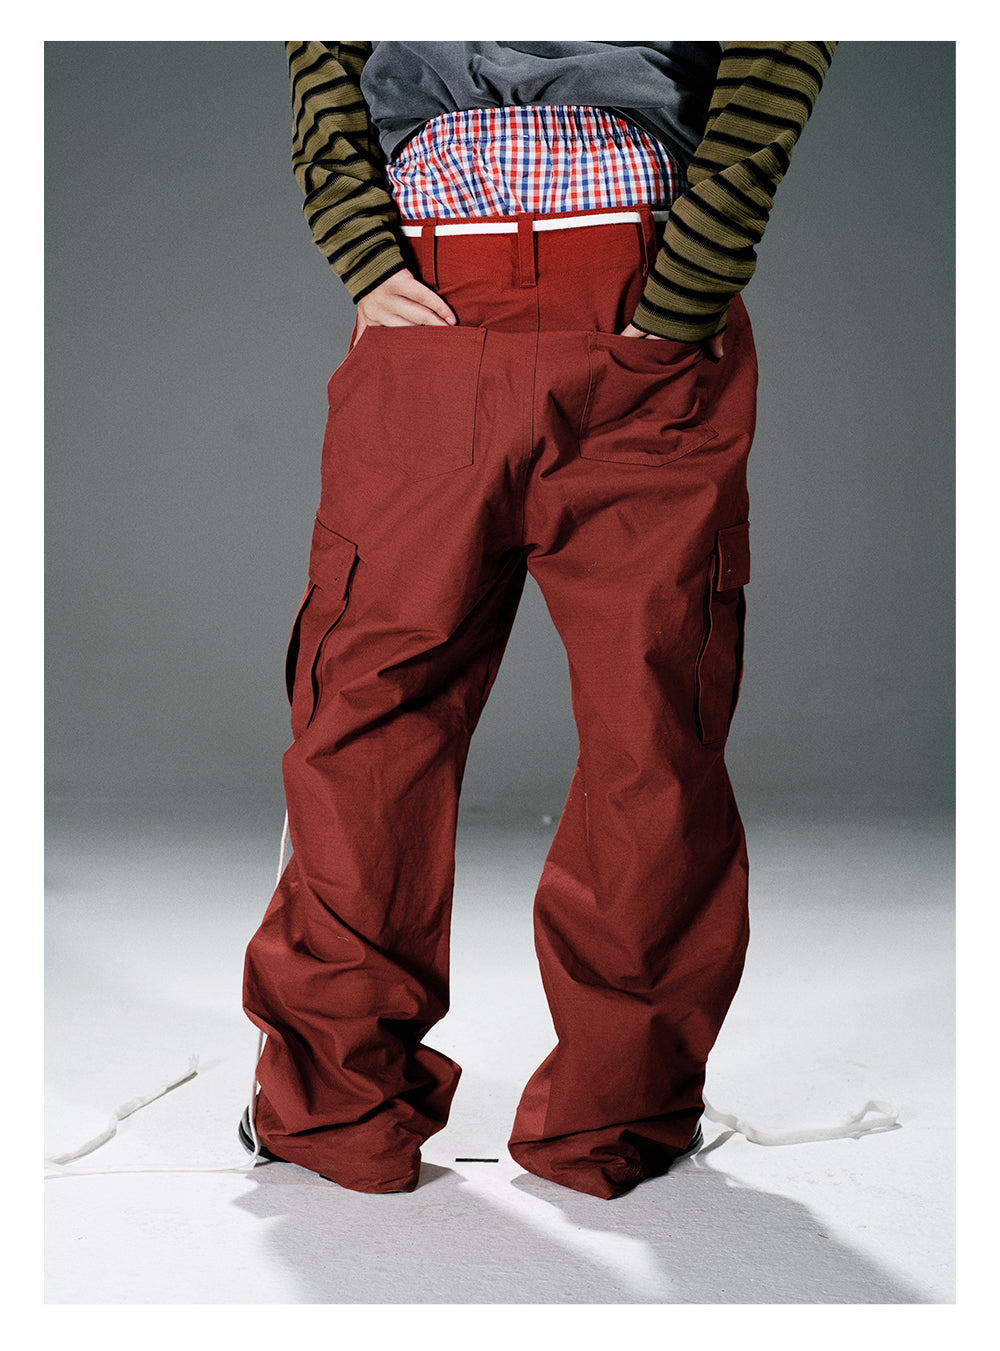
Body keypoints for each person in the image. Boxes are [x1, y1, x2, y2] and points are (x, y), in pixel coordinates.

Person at [241, 40, 837, 1199]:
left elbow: (777, 43)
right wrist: (366, 253)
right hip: (436, 297)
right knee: (367, 723)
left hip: (641, 302)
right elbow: (324, 47)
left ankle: (612, 1116)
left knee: (647, 730)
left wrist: (685, 287)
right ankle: (338, 1109)